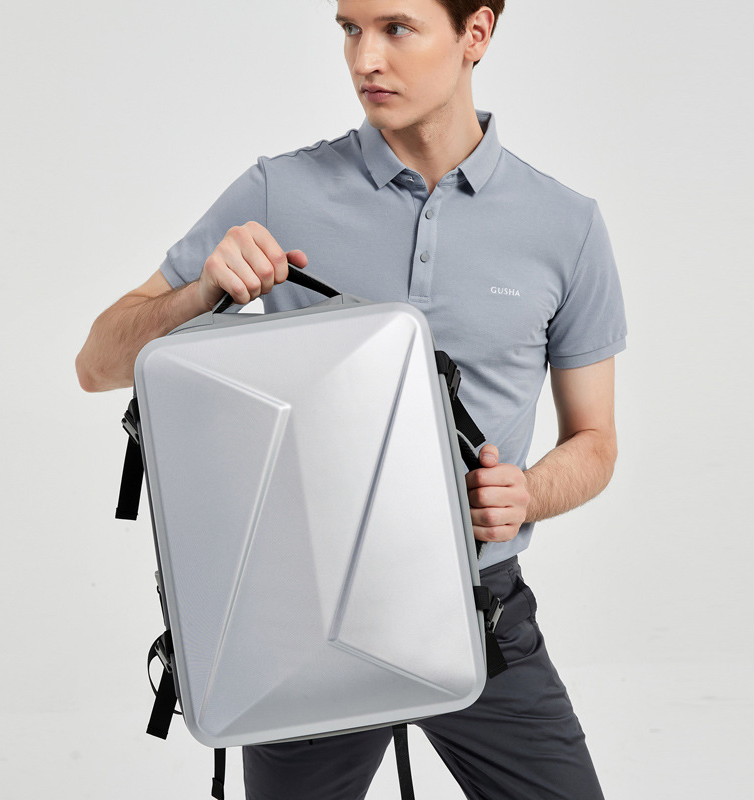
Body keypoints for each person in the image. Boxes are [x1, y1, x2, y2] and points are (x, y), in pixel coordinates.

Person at [76, 1, 626, 797]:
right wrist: (202, 292)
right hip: (307, 622)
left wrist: (529, 494)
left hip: (483, 607)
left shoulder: (566, 226)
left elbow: (596, 440)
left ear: (475, 34)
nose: (365, 58)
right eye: (349, 29)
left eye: (396, 27)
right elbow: (97, 362)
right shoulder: (280, 190)